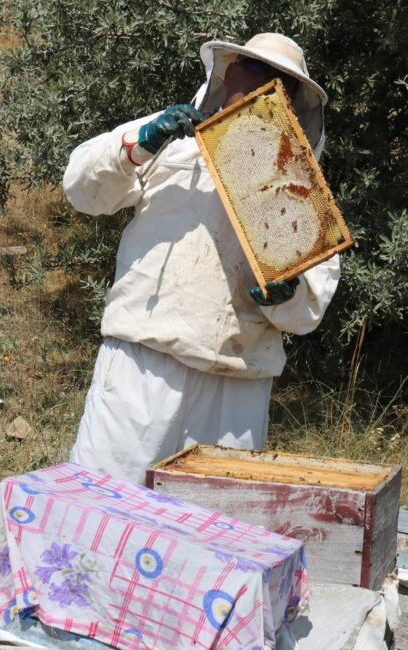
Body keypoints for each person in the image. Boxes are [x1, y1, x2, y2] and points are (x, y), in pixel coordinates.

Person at [62, 33, 341, 483]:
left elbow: (309, 307)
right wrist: (141, 144)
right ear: (229, 73)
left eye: (278, 85)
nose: (260, 91)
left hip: (237, 380)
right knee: (105, 502)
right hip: (143, 363)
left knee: (214, 527)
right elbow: (82, 189)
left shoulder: (297, 183)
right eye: (255, 75)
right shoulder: (170, 137)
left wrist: (285, 293)